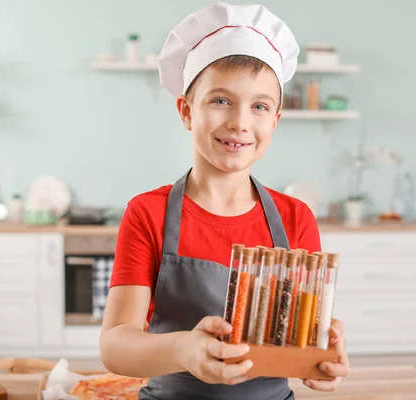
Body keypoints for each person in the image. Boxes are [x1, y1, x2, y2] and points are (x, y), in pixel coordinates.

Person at [99, 3, 350, 399]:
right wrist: (185, 348)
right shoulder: (148, 213)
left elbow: (303, 341)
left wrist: (324, 358)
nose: (240, 122)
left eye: (260, 106)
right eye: (220, 101)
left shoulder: (294, 217)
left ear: (275, 121)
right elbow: (115, 346)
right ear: (186, 111)